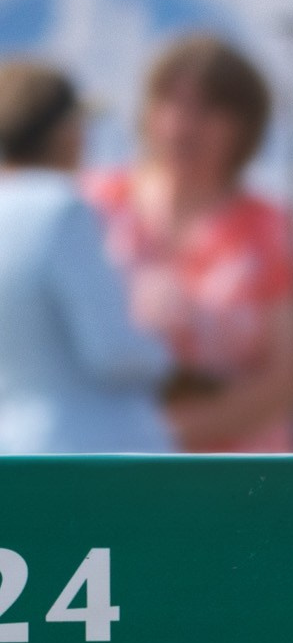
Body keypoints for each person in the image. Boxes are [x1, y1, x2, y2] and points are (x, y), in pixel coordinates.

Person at [88, 34, 293, 453]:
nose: (182, 125)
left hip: (235, 480)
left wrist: (162, 434)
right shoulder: (91, 207)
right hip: (106, 466)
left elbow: (285, 380)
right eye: (170, 103)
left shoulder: (272, 231)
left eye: (208, 109)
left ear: (245, 127)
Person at [0, 59, 173, 454]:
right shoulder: (62, 209)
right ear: (64, 132)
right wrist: (167, 357)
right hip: (90, 459)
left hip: (13, 453)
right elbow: (113, 352)